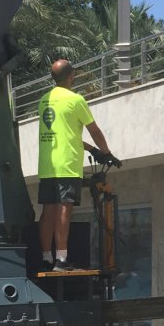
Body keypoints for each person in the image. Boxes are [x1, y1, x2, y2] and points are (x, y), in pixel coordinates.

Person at [37, 59, 116, 271]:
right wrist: (106, 152)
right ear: (71, 76)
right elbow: (94, 130)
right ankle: (61, 260)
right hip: (67, 164)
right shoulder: (75, 100)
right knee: (64, 209)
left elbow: (67, 133)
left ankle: (46, 257)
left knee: (48, 211)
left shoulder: (44, 100)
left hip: (47, 165)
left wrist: (91, 150)